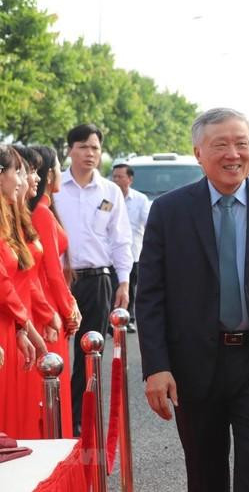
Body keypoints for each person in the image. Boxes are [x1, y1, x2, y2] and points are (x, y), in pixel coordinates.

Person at [137, 108, 249, 491]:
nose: (234, 154)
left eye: (242, 144)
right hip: (195, 364)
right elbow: (150, 296)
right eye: (221, 145)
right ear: (198, 153)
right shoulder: (169, 211)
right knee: (204, 469)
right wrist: (156, 367)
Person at [54, 123, 133, 434]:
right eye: (84, 147)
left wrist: (124, 281)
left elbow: (120, 240)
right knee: (56, 352)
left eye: (96, 148)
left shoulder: (110, 191)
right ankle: (55, 415)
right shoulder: (55, 187)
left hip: (98, 280)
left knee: (91, 352)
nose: (90, 154)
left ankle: (82, 419)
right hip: (58, 281)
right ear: (70, 149)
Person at [29, 145, 80, 438]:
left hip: (49, 301)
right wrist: (67, 309)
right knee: (49, 383)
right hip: (46, 307)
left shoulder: (44, 210)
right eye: (59, 167)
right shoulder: (43, 214)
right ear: (50, 173)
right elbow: (50, 269)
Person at [0, 145, 47, 437]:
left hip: (8, 323)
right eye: (16, 171)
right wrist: (28, 325)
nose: (23, 180)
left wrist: (20, 327)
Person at [111, 163, 151, 333]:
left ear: (130, 179)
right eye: (114, 177)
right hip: (111, 253)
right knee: (112, 287)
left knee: (131, 287)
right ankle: (111, 319)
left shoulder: (140, 200)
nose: (116, 180)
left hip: (134, 252)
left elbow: (149, 223)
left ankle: (129, 318)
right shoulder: (108, 198)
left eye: (120, 176)